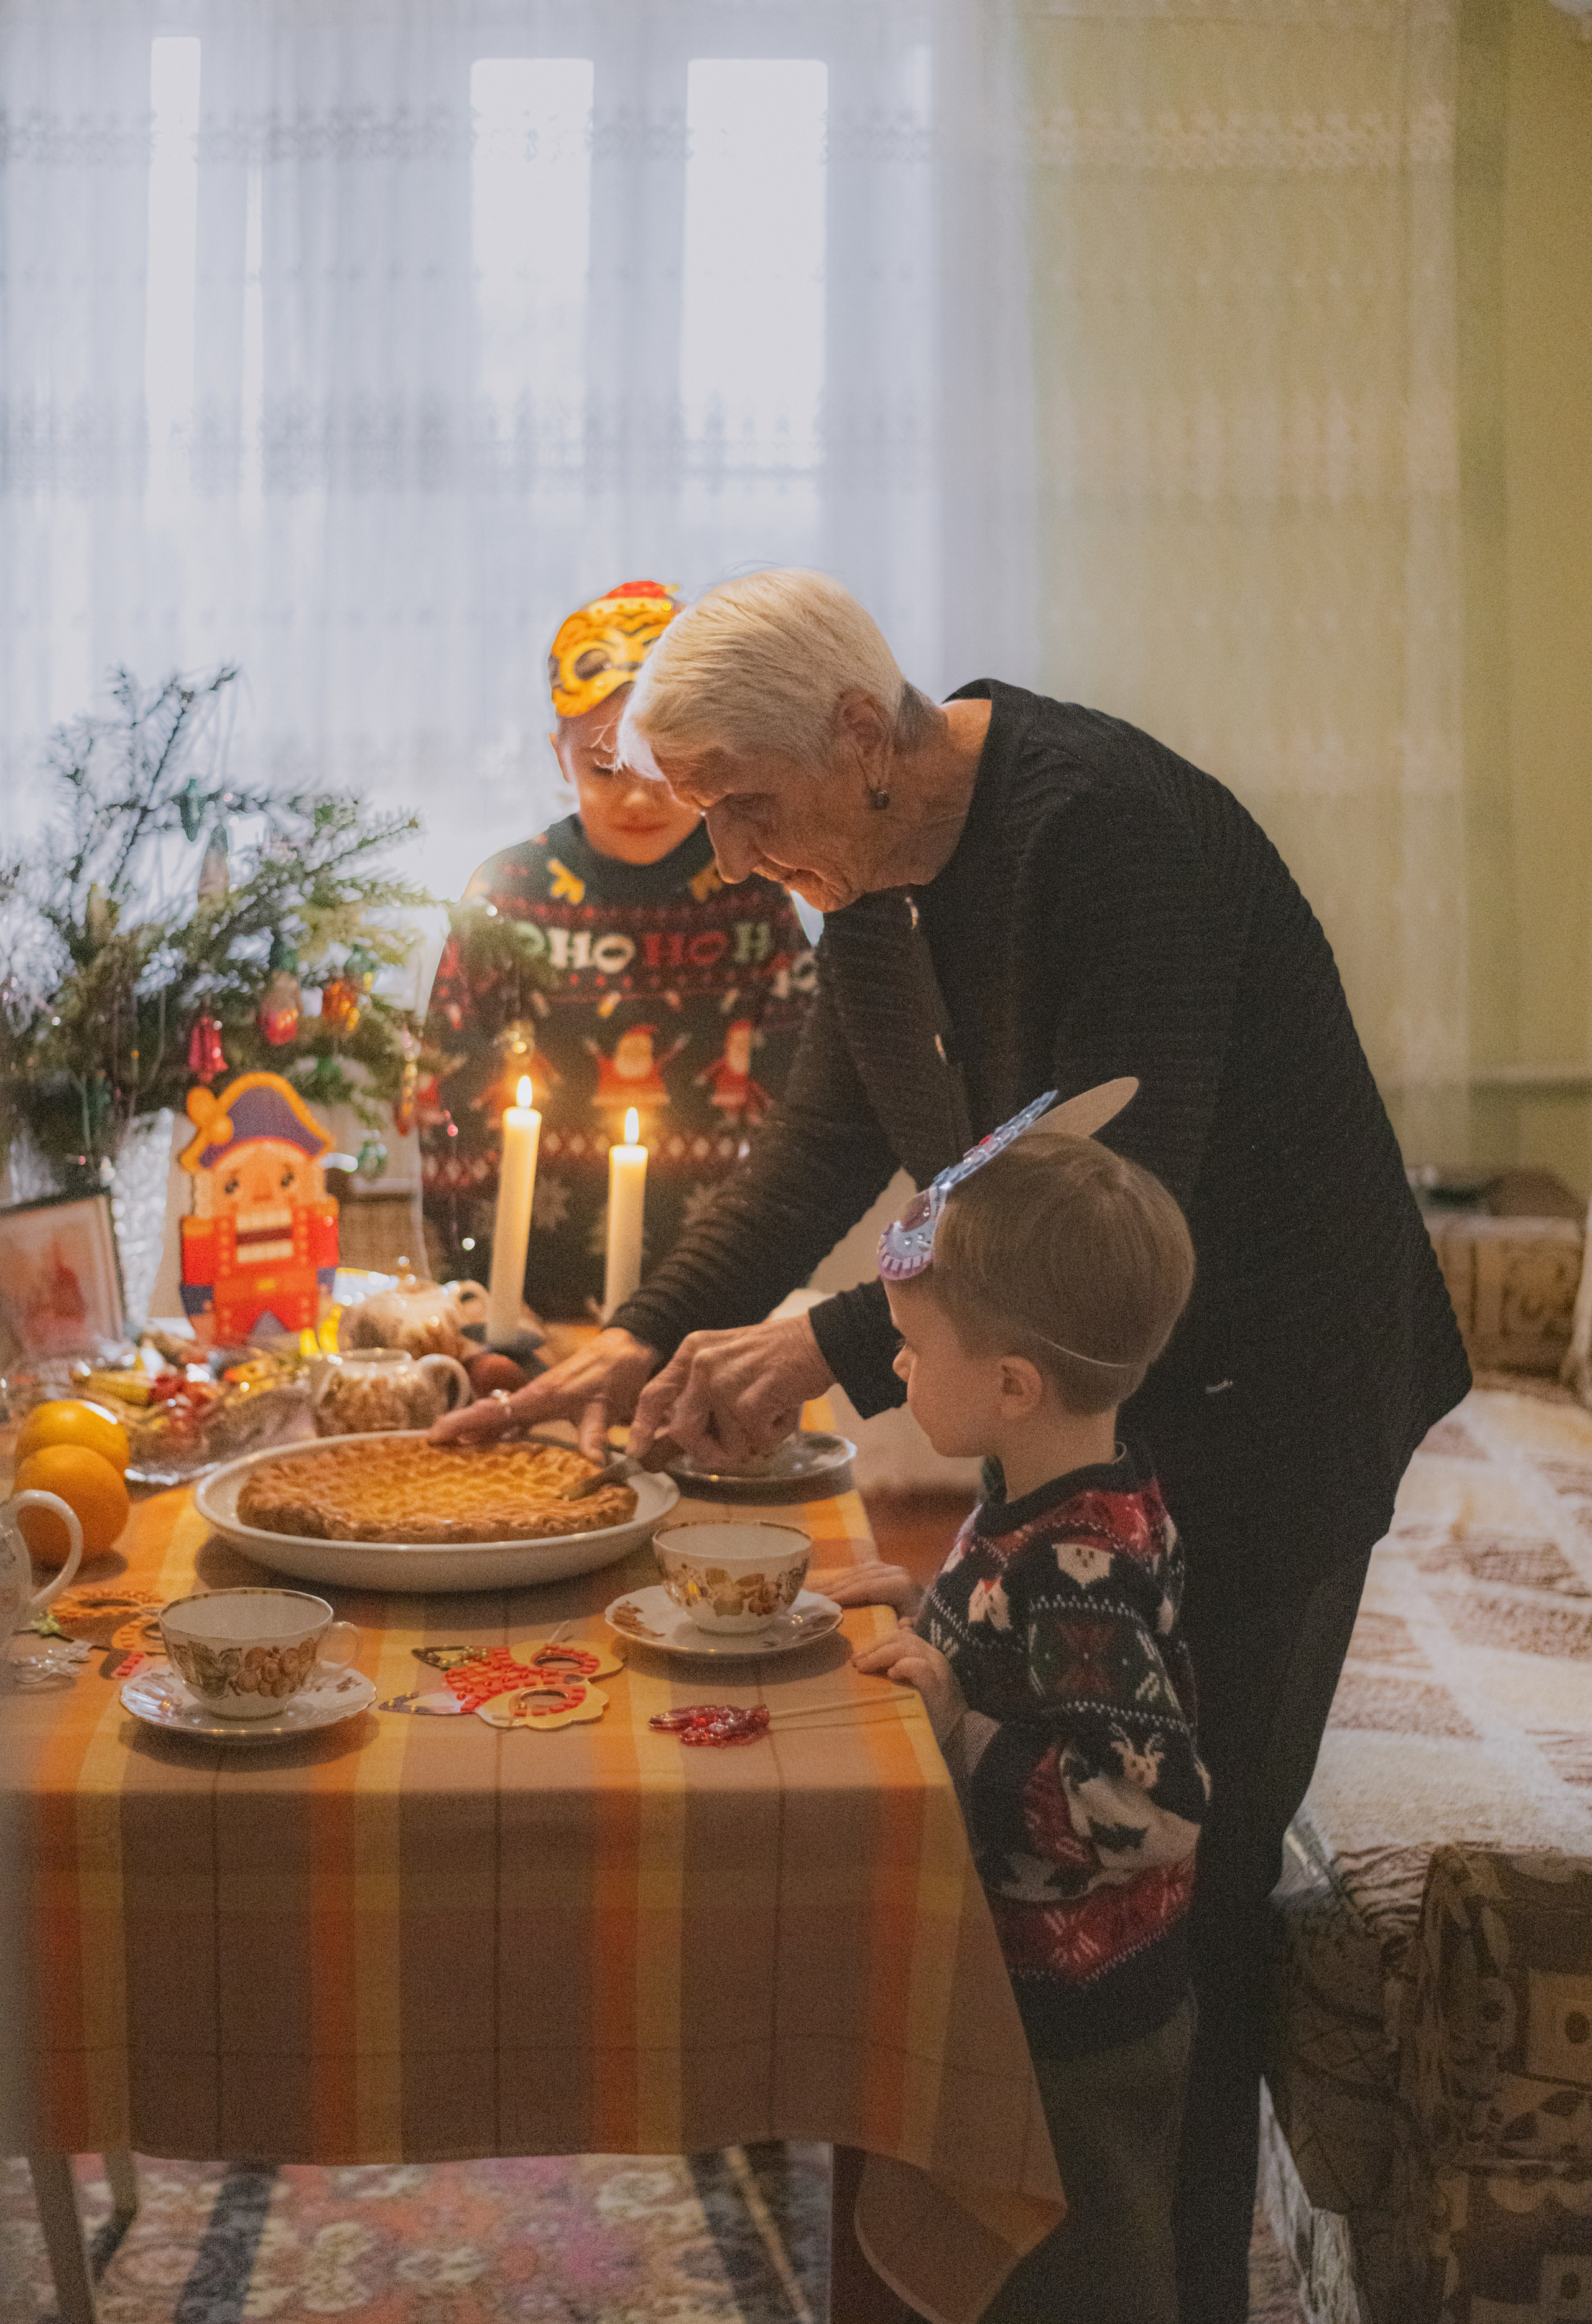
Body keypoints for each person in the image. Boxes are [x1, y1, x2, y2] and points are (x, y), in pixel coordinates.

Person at [435, 566, 1471, 2319]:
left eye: (747, 809)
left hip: (1272, 1404)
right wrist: (625, 1348)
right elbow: (815, 1158)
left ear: (861, 734)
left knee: (1178, 1914)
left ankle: (1170, 2284)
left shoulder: (1107, 833)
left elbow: (1099, 1201)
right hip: (1089, 1407)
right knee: (1038, 1879)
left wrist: (832, 1346)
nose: (737, 858)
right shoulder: (870, 885)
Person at [813, 1117, 1207, 2322]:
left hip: (1076, 2022)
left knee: (1074, 2273)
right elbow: (1021, 1659)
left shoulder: (1071, 1558)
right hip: (1051, 1990)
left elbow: (1151, 1804)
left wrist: (954, 1724)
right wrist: (932, 1630)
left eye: (911, 1347)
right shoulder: (1056, 1495)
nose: (895, 1370)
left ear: (1010, 1383)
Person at [420, 580, 813, 1319]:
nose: (637, 799)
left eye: (660, 770)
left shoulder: (753, 892)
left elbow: (798, 1097)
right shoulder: (506, 892)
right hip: (528, 1291)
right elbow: (448, 1091)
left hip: (708, 1286)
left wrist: (760, 1282)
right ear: (557, 757)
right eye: (605, 770)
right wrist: (466, 1288)